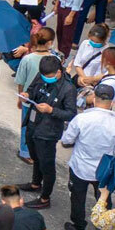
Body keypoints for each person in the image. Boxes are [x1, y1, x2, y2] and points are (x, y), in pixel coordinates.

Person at [59, 83, 115, 230]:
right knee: (103, 196)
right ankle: (103, 223)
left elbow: (67, 139)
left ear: (94, 99)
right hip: (104, 170)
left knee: (78, 197)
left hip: (80, 167)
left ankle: (80, 228)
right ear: (112, 102)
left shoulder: (82, 118)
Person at [18, 56, 78, 210]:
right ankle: (35, 183)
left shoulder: (68, 88)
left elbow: (71, 113)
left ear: (59, 72)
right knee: (35, 156)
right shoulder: (42, 74)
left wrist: (51, 110)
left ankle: (45, 198)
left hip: (48, 132)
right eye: (43, 75)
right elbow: (32, 89)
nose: (45, 78)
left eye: (49, 77)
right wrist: (27, 95)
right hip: (33, 124)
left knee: (47, 164)